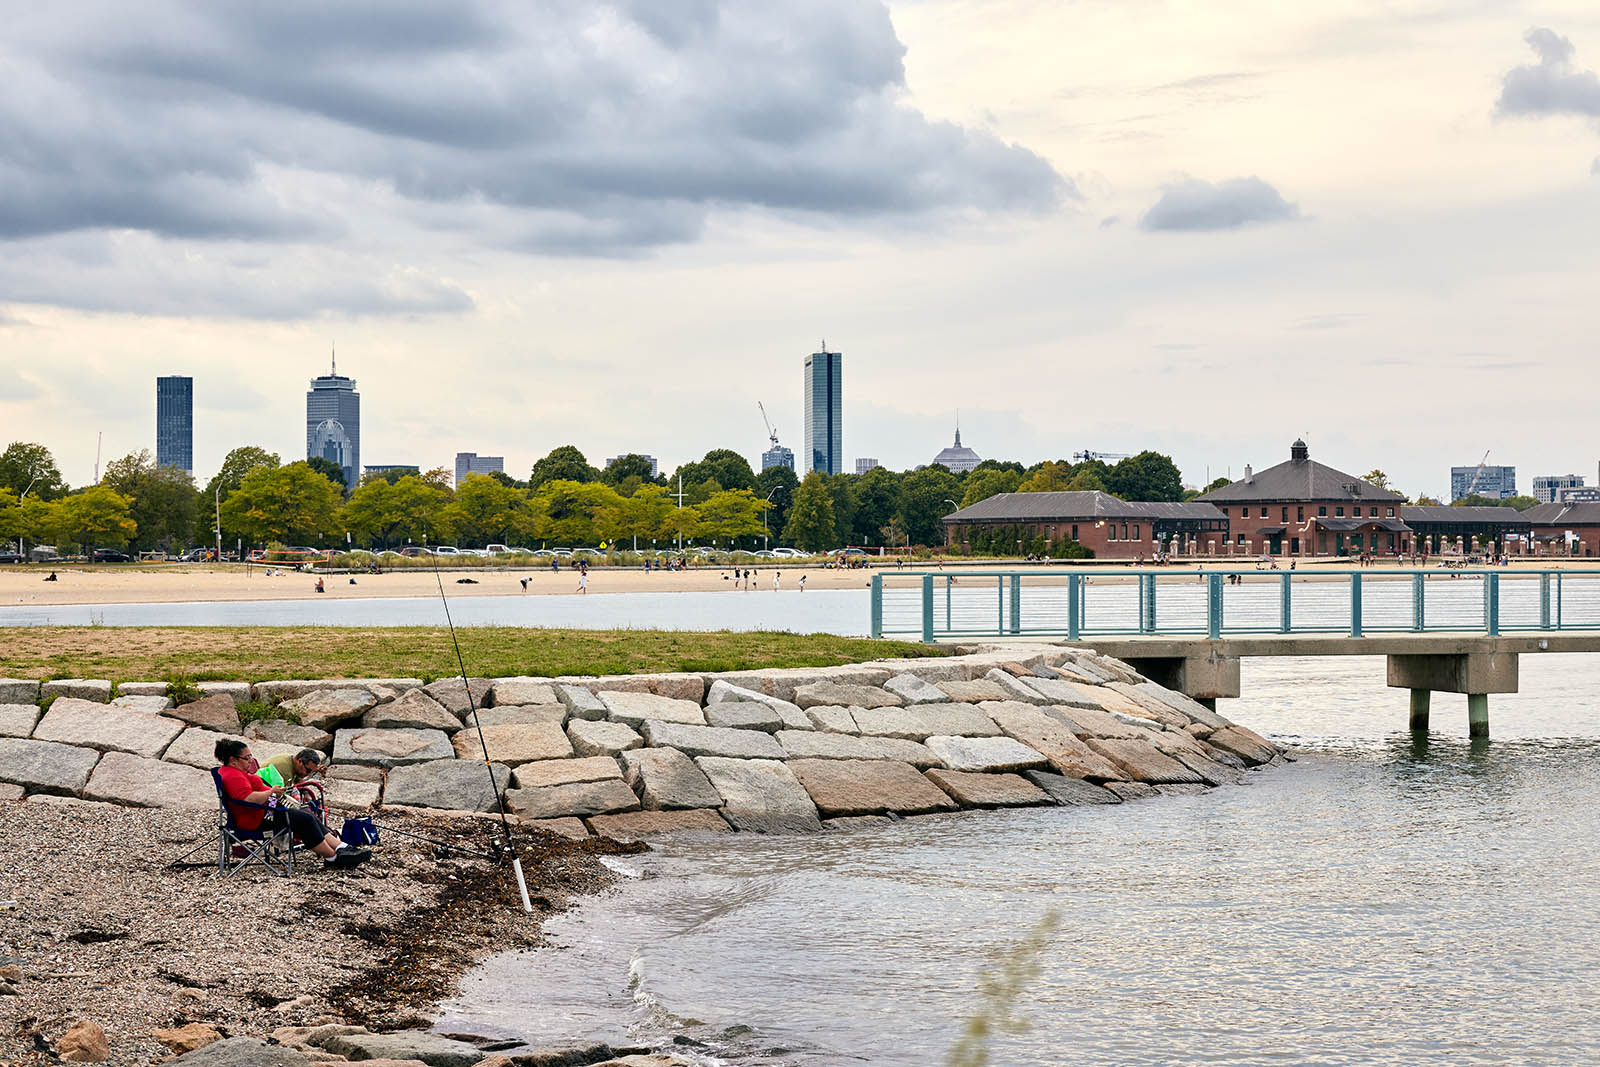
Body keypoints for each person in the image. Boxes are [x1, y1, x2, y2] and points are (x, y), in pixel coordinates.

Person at [214, 739, 367, 869]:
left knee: (306, 815)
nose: (251, 761)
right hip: (255, 820)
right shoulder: (234, 776)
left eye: (250, 757)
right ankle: (332, 858)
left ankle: (341, 847)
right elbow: (247, 799)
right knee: (304, 820)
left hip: (262, 812)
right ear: (233, 759)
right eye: (247, 758)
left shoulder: (234, 772)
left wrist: (274, 794)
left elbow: (257, 792)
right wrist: (271, 793)